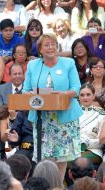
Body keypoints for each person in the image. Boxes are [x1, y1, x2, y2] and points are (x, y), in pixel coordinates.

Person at [23, 34, 82, 180]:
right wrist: (33, 94)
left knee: (62, 157)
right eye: (47, 45)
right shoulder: (33, 65)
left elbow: (76, 88)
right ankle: (46, 185)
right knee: (45, 157)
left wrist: (62, 94)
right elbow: (25, 90)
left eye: (53, 44)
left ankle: (58, 185)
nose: (51, 47)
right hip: (42, 118)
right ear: (40, 50)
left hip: (65, 117)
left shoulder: (68, 63)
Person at [0, 63, 24, 160]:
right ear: (10, 75)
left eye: (20, 73)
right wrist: (12, 111)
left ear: (23, 75)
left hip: (23, 118)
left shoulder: (28, 88)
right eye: (15, 74)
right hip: (5, 118)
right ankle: (1, 151)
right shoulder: (2, 88)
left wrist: (12, 109)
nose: (18, 76)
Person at [79, 84, 105, 165]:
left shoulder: (101, 114)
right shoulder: (72, 113)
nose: (85, 97)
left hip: (94, 151)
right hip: (73, 149)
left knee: (77, 160)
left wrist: (86, 142)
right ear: (79, 97)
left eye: (88, 94)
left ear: (94, 96)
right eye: (82, 95)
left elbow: (101, 141)